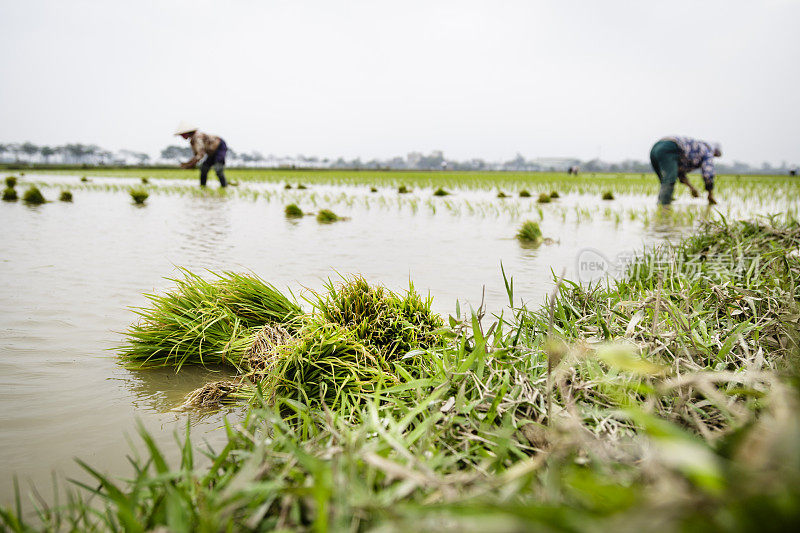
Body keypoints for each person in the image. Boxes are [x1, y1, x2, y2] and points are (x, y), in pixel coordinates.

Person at [649, 136, 721, 206]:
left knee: (665, 181)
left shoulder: (696, 148)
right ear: (714, 151)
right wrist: (710, 194)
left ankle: (665, 202)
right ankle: (663, 208)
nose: (713, 157)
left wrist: (692, 188)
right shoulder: (707, 152)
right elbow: (708, 174)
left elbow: (679, 173)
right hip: (670, 147)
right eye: (715, 155)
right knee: (669, 180)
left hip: (655, 148)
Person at [174, 122, 227, 187]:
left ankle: (224, 186)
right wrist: (189, 163)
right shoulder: (192, 140)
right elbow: (196, 155)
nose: (182, 136)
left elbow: (200, 155)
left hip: (219, 147)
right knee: (204, 168)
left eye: (182, 134)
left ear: (187, 133)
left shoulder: (198, 137)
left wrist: (190, 164)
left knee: (218, 169)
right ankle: (202, 186)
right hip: (211, 152)